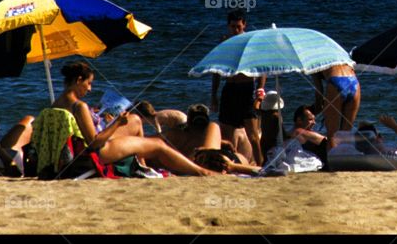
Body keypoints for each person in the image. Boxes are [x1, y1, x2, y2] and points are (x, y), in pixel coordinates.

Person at [52, 61, 218, 176]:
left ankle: (142, 166)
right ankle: (201, 171)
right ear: (78, 80)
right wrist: (116, 123)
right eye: (88, 83)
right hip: (95, 154)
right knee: (159, 145)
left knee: (136, 120)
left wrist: (95, 115)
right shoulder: (79, 106)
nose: (90, 89)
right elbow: (95, 143)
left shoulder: (56, 104)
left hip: (74, 151)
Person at [210, 9, 266, 166]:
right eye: (233, 26)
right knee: (228, 136)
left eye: (239, 27)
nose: (236, 30)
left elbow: (262, 68)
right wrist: (213, 95)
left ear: (244, 25)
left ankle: (261, 165)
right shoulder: (224, 42)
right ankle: (231, 165)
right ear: (228, 26)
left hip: (246, 89)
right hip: (229, 90)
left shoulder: (251, 42)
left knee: (253, 135)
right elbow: (217, 70)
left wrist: (260, 92)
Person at [312, 64, 361, 147]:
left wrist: (316, 109)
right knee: (346, 133)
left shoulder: (315, 60)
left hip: (335, 81)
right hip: (354, 81)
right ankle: (344, 158)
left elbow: (319, 91)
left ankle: (331, 159)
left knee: (332, 135)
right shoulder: (340, 53)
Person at [258, 90, 285, 163]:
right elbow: (282, 133)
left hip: (263, 143)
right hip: (274, 144)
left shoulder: (263, 114)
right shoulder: (277, 116)